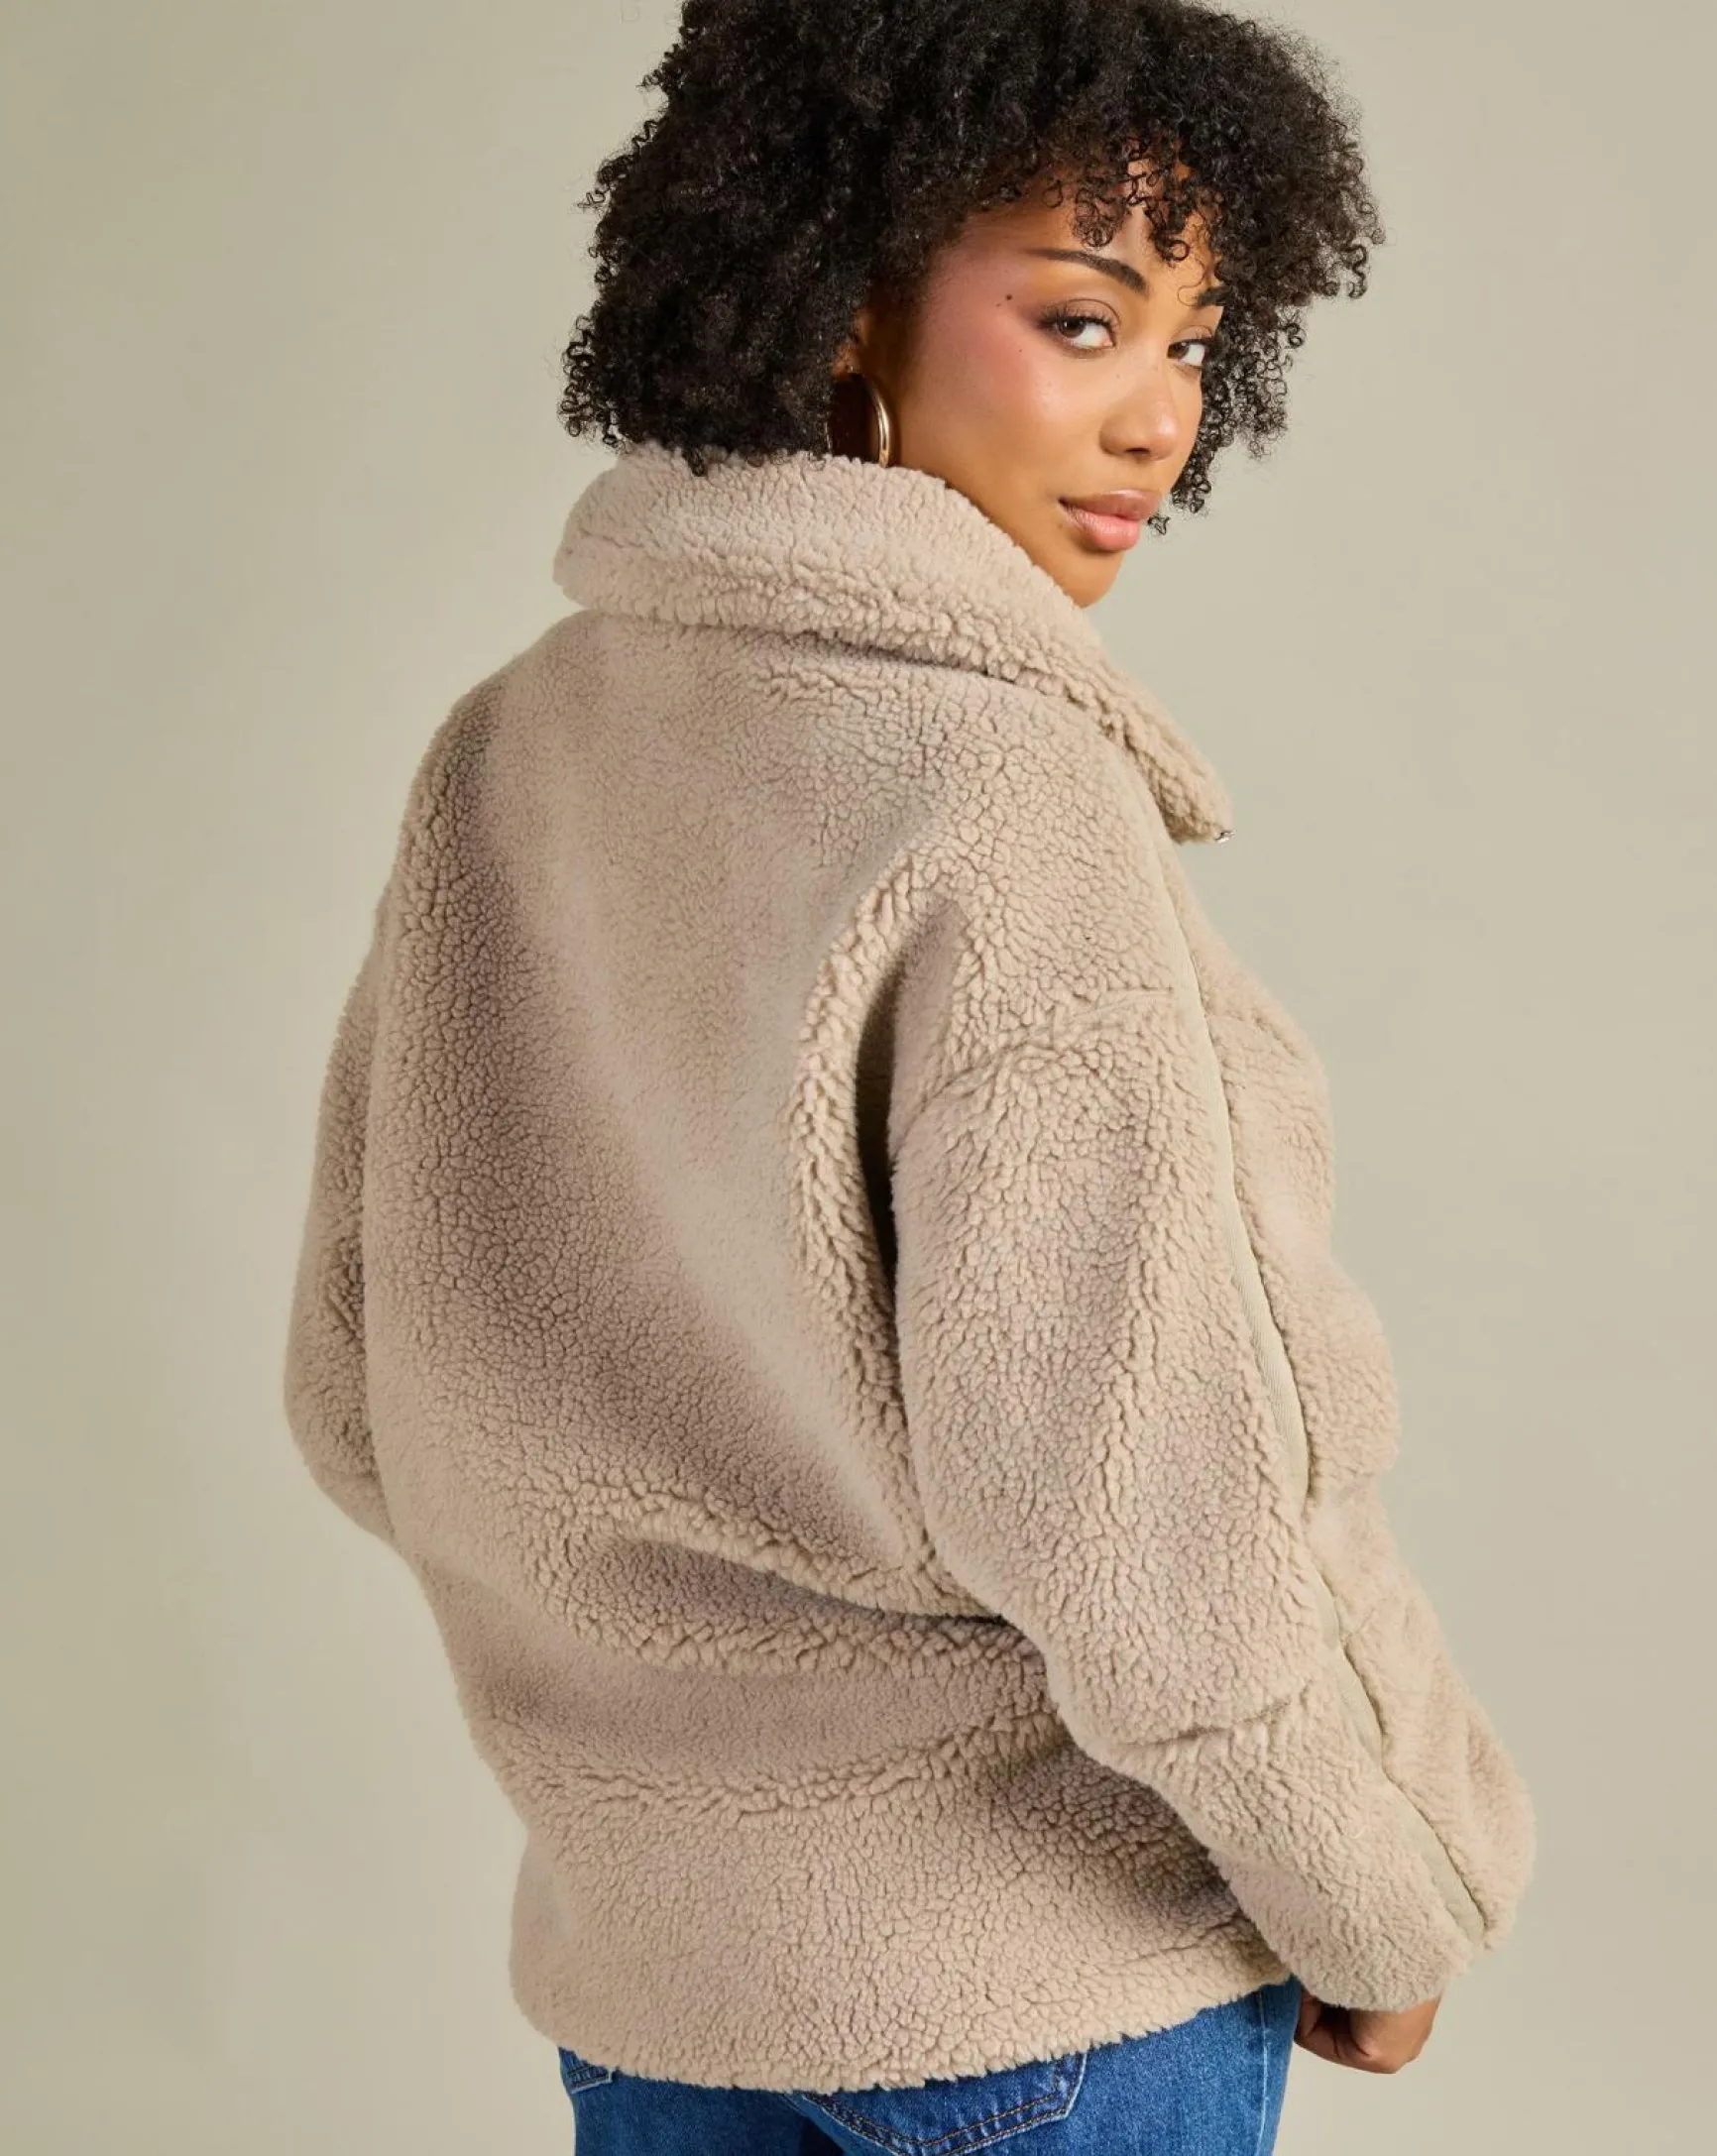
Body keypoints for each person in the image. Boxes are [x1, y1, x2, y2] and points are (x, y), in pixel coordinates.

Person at [282, 3, 1537, 2149]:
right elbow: (1156, 1501)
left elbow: (356, 1384)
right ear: (844, 294)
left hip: (659, 2001)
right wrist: (1385, 1894)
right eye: (1083, 318)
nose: (1160, 415)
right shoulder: (1003, 791)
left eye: (1197, 344)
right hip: (1046, 1996)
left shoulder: (504, 749)